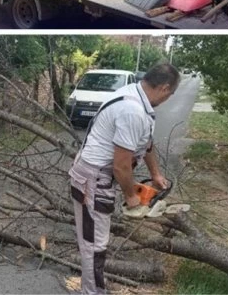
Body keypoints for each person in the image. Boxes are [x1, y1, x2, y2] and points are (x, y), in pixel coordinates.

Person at [68, 63, 179, 295]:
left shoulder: (136, 97)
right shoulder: (133, 110)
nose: (168, 99)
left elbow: (146, 143)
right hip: (94, 178)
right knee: (94, 246)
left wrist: (155, 175)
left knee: (97, 242)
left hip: (100, 175)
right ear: (165, 88)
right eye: (170, 94)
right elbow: (121, 166)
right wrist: (131, 197)